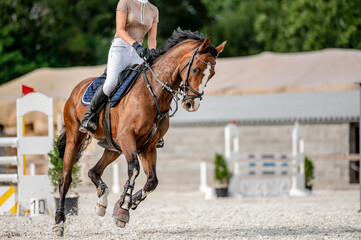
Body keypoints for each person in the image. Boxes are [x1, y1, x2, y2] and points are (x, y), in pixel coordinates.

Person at [79, 0, 159, 133]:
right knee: (111, 83)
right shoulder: (125, 2)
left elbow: (152, 39)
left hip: (138, 52)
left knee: (147, 84)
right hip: (121, 47)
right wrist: (135, 45)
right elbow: (120, 30)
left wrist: (152, 52)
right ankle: (89, 116)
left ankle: (152, 127)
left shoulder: (154, 10)